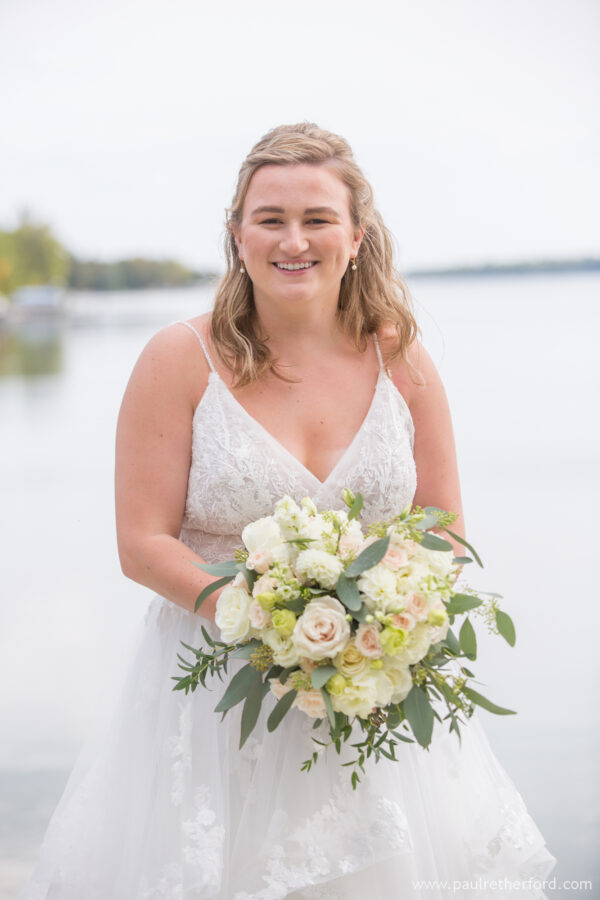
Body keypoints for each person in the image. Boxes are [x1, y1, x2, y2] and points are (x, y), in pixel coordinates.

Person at [19, 123, 556, 899]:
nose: (293, 240)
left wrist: (375, 626)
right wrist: (269, 619)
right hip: (212, 702)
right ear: (237, 235)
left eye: (317, 219)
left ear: (357, 236)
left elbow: (443, 527)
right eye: (269, 218)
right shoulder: (179, 359)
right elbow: (140, 543)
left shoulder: (400, 357)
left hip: (370, 696)